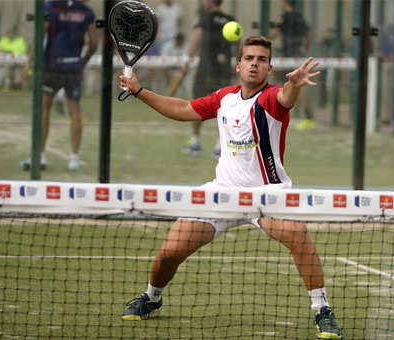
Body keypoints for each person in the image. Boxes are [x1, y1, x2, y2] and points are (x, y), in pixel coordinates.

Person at [118, 36, 342, 340]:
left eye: (261, 59)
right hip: (222, 192)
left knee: (297, 234)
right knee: (168, 253)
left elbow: (286, 98)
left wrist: (295, 85)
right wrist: (139, 91)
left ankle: (322, 310)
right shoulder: (224, 97)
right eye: (249, 58)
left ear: (269, 68)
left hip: (268, 194)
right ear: (238, 65)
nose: (255, 63)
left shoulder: (272, 98)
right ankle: (152, 298)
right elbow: (183, 108)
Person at [20, 0, 98, 171]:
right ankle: (74, 159)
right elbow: (94, 43)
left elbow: (41, 33)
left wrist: (29, 61)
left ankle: (39, 155)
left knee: (44, 109)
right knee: (75, 112)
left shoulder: (50, 6)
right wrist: (83, 62)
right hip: (73, 69)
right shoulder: (87, 12)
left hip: (51, 67)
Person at [180, 0, 237, 158]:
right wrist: (237, 67)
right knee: (223, 108)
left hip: (205, 71)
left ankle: (195, 142)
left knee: (196, 106)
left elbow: (197, 38)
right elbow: (239, 45)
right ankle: (220, 147)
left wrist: (186, 60)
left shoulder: (205, 17)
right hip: (223, 71)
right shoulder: (231, 20)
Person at [270, 0, 315, 131]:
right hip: (297, 54)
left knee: (291, 83)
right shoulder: (300, 17)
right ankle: (306, 115)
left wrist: (263, 41)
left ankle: (307, 117)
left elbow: (276, 32)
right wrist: (304, 49)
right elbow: (307, 36)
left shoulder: (283, 17)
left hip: (289, 55)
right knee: (291, 83)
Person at [0, 25, 28, 91]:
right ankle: (7, 84)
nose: (7, 33)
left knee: (17, 80)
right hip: (7, 63)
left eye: (9, 31)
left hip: (18, 63)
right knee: (7, 64)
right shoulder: (4, 40)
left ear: (14, 32)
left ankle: (16, 86)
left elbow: (24, 52)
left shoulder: (20, 40)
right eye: (7, 31)